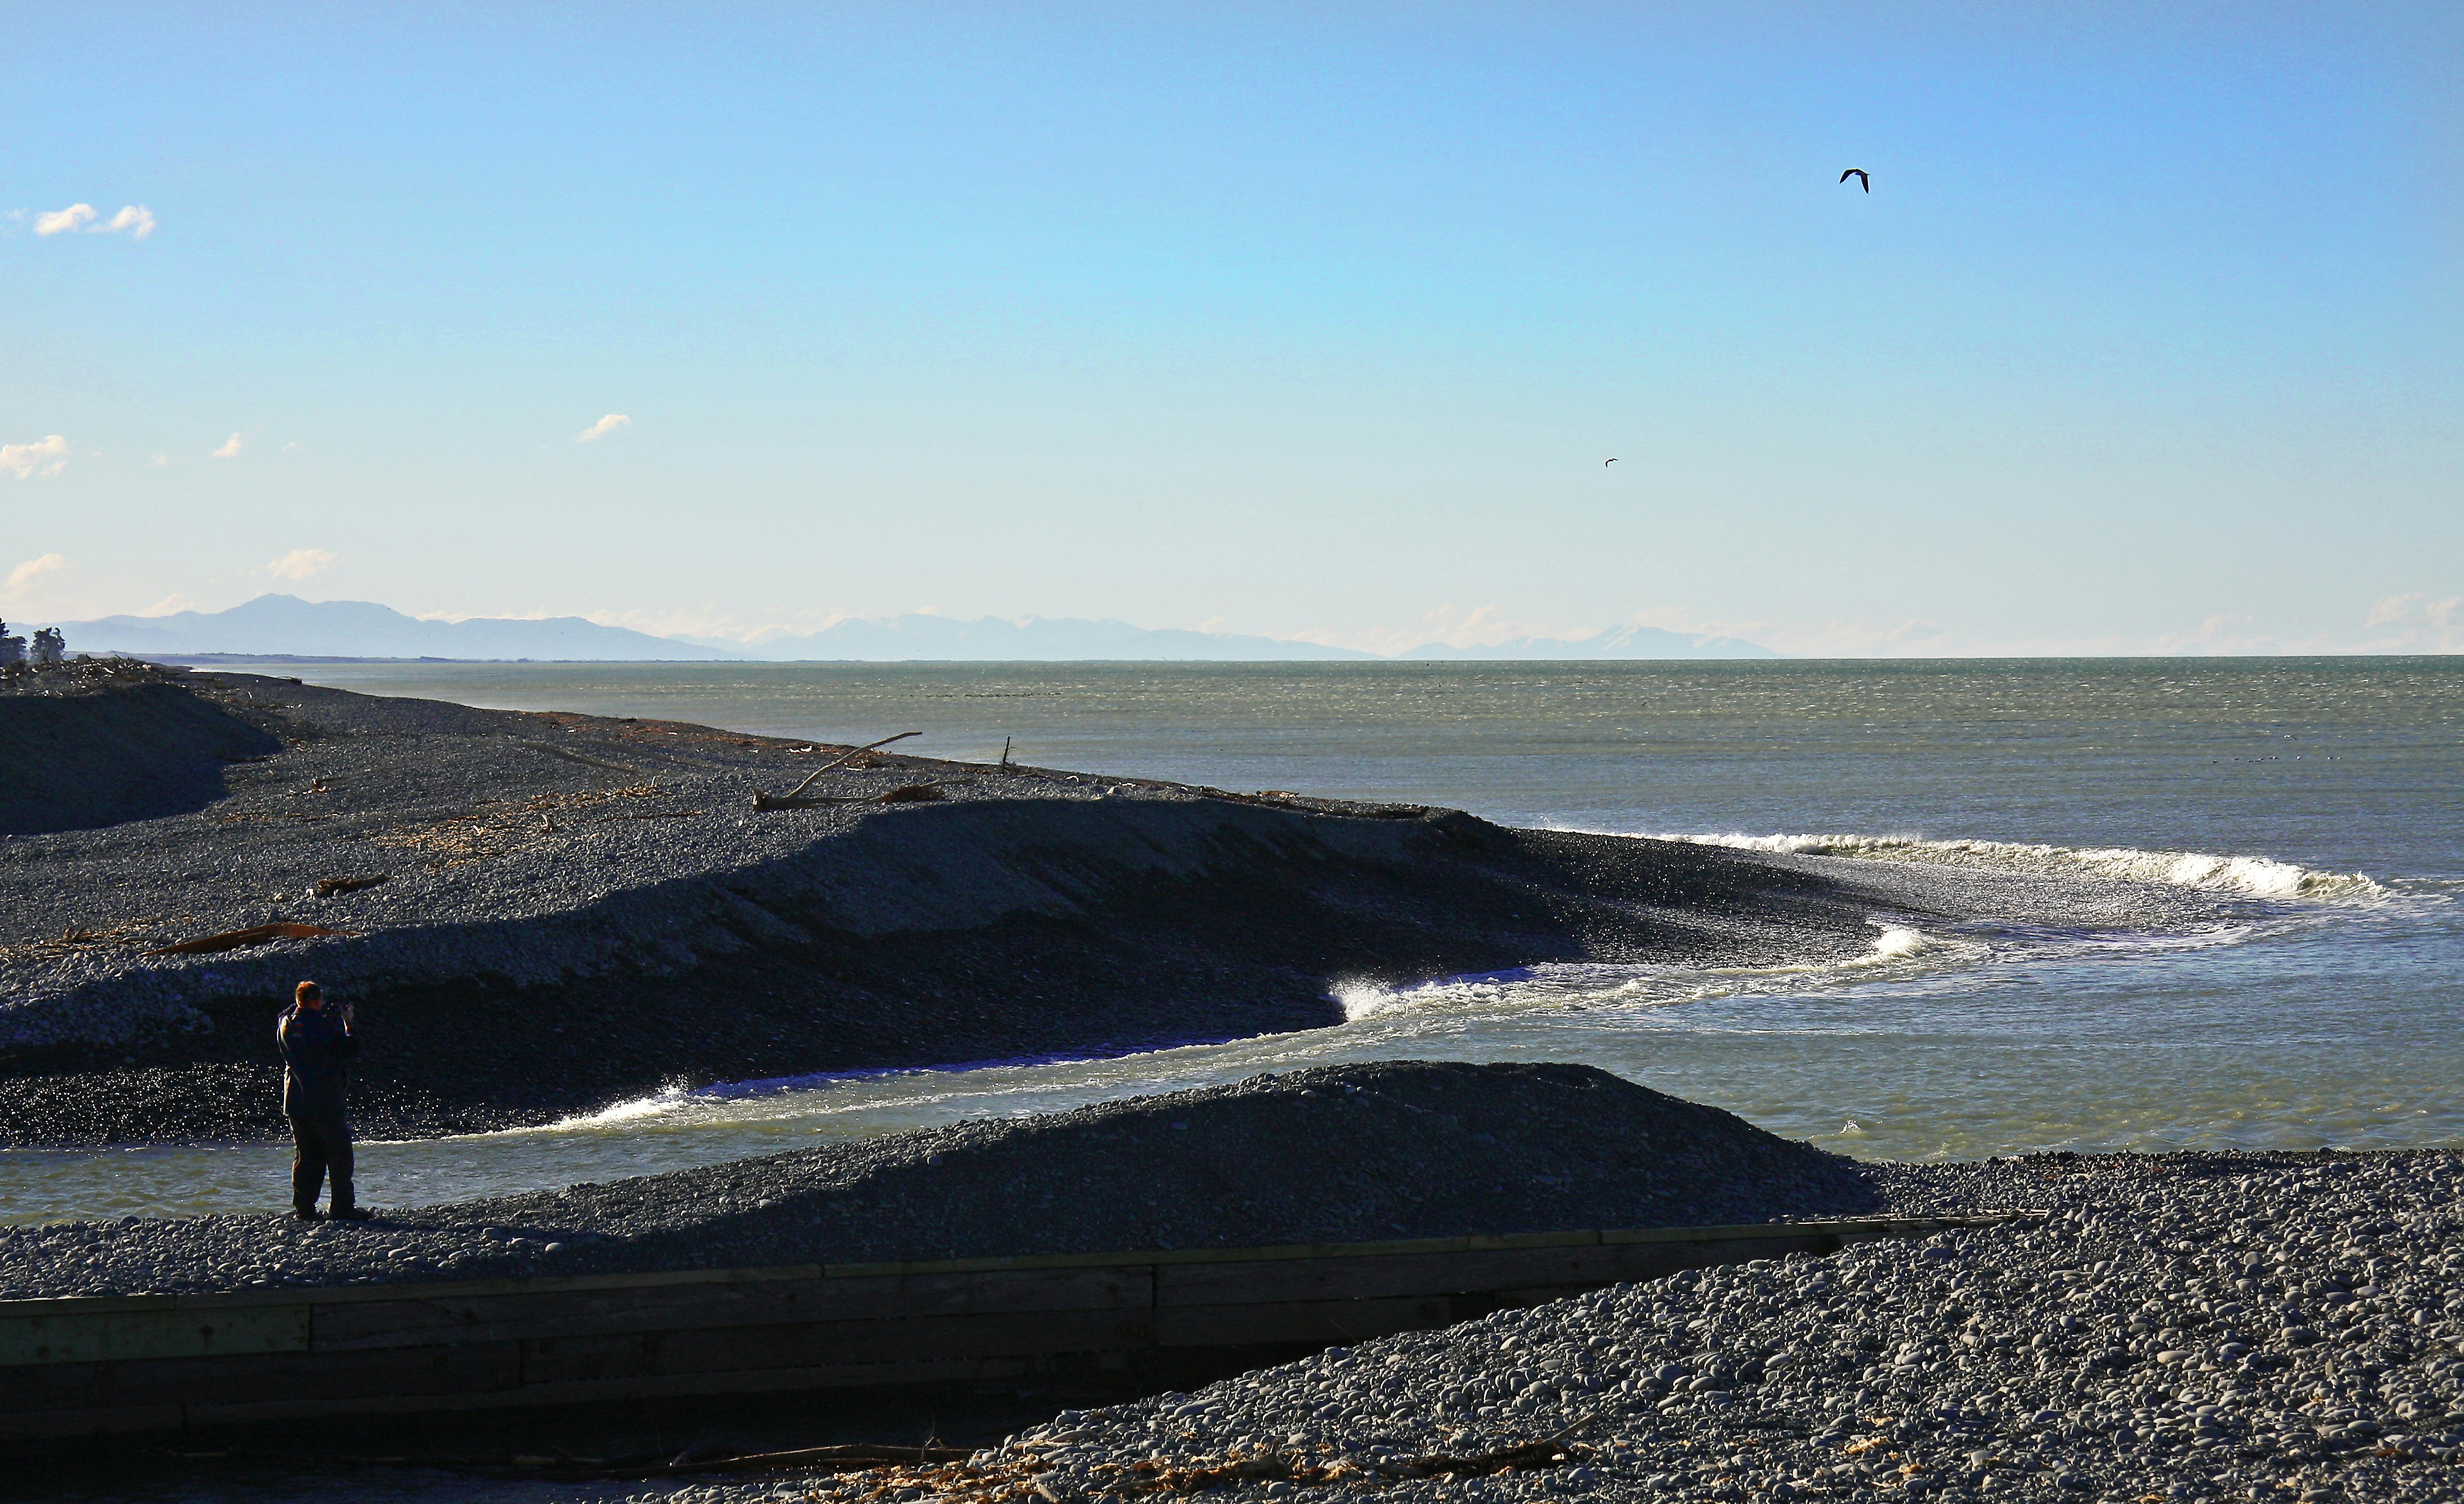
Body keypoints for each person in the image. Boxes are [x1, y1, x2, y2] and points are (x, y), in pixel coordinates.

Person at [277, 981, 372, 1220]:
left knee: (307, 1156)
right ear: (317, 1000)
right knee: (340, 1155)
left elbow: (287, 1014)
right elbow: (349, 1048)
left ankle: (304, 1208)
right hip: (324, 1101)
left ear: (298, 1000)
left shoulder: (286, 1023)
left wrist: (304, 1007)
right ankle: (342, 1207)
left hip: (296, 1101)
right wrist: (348, 1023)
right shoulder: (322, 1026)